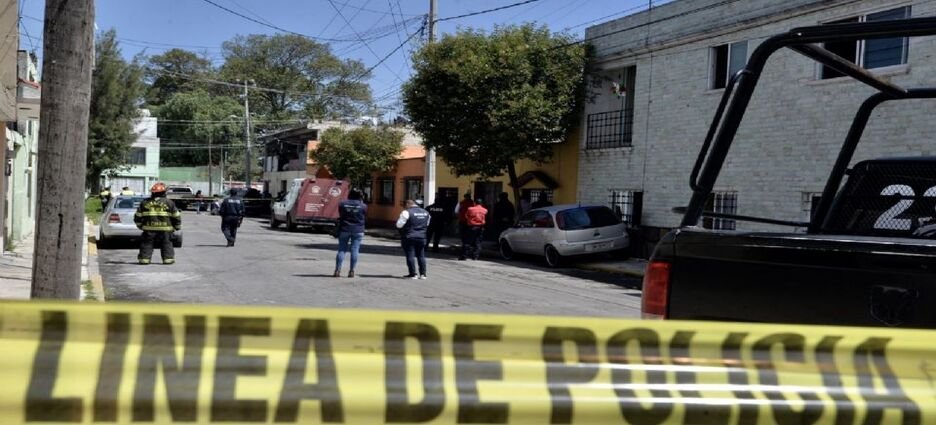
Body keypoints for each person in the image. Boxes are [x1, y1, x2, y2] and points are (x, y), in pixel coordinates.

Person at [134, 182, 181, 265]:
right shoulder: (169, 203)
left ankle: (144, 259)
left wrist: (140, 226)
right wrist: (177, 226)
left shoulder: (144, 203)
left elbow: (138, 216)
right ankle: (168, 259)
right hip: (166, 229)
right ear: (164, 193)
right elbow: (176, 216)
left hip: (149, 229)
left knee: (147, 244)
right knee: (166, 244)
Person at [334, 188, 368, 278]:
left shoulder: (342, 204)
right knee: (355, 250)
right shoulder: (363, 206)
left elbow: (341, 215)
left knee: (341, 250)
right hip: (358, 230)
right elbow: (364, 215)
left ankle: (337, 270)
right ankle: (352, 271)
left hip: (344, 228)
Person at [397, 199, 431, 279]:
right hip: (422, 237)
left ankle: (413, 274)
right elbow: (427, 224)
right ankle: (423, 274)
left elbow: (399, 225)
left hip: (409, 236)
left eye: (405, 205)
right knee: (421, 255)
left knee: (410, 254)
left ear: (408, 204)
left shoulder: (406, 212)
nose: (405, 207)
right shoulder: (426, 212)